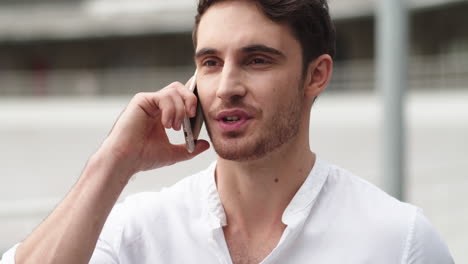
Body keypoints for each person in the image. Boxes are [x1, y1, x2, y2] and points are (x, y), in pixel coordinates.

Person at [1, 0, 454, 263]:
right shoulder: (138, 233)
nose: (227, 87)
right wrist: (113, 163)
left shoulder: (400, 242)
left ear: (316, 76)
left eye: (257, 60)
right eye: (210, 63)